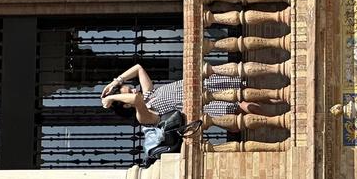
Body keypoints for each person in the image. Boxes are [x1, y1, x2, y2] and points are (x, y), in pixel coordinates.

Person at [100, 62, 279, 122]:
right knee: (242, 104)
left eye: (131, 87)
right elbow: (135, 99)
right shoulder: (143, 115)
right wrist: (113, 97)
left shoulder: (148, 95)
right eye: (129, 90)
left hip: (205, 86)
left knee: (245, 91)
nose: (134, 89)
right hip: (205, 105)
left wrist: (116, 82)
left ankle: (279, 98)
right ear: (126, 104)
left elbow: (138, 68)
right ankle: (275, 117)